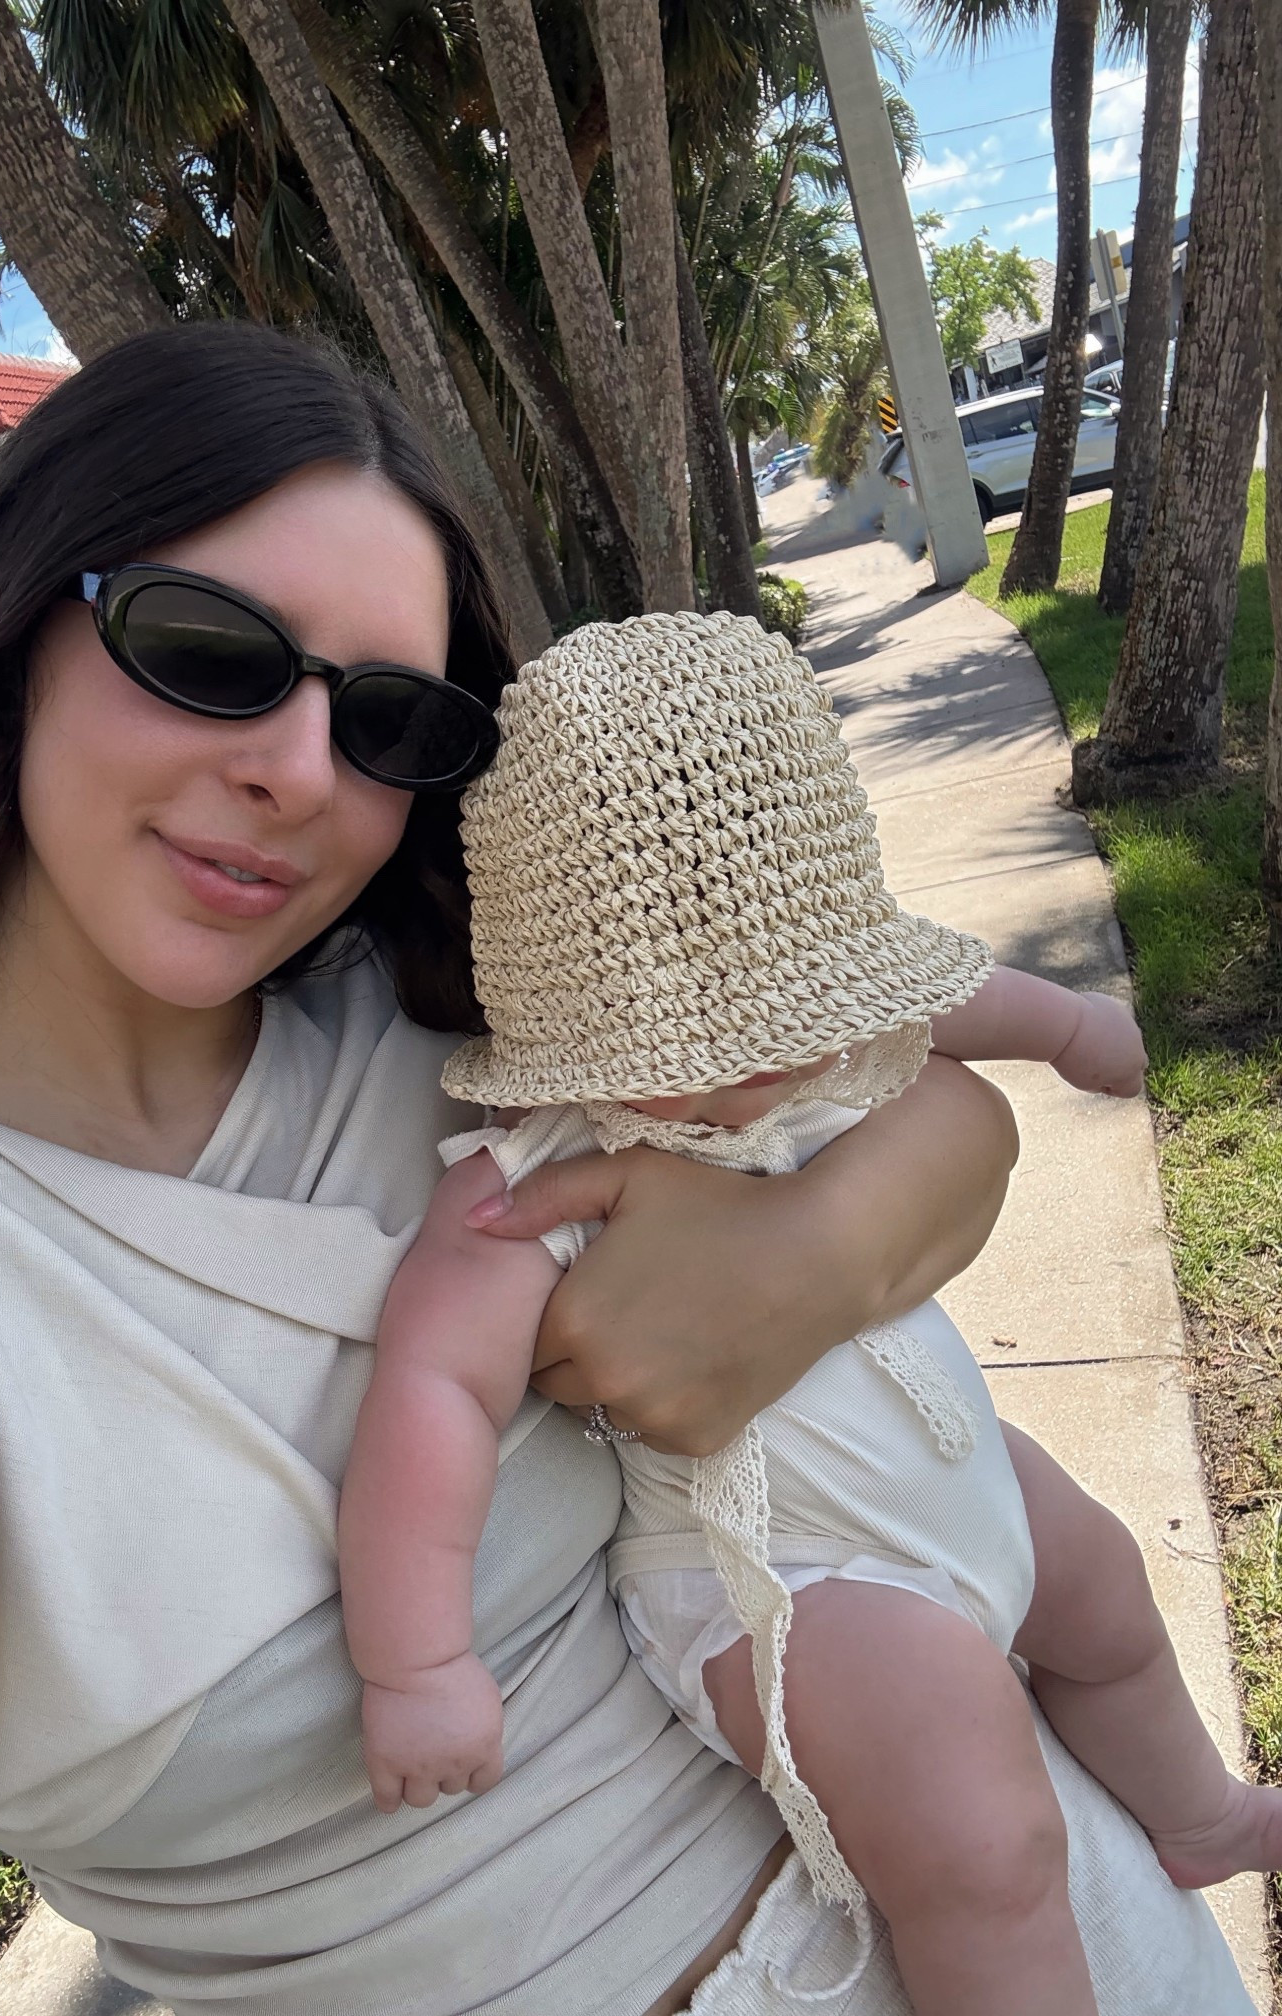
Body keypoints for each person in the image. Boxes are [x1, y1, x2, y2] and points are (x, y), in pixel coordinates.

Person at [0, 324, 1249, 2016]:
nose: (301, 775)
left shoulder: (478, 1013)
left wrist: (805, 1262)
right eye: (204, 649)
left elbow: (917, 1093)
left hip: (1038, 1915)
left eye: (388, 717)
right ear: (9, 631)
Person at [338, 612, 1279, 2014]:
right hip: (780, 1574)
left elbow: (955, 999)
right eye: (685, 1057)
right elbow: (430, 1391)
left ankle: (1195, 1811)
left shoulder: (843, 1034)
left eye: (788, 1026)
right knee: (981, 1840)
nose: (752, 1082)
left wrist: (1080, 1030)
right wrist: (415, 1660)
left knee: (1100, 1586)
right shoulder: (529, 1176)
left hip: (950, 1475)